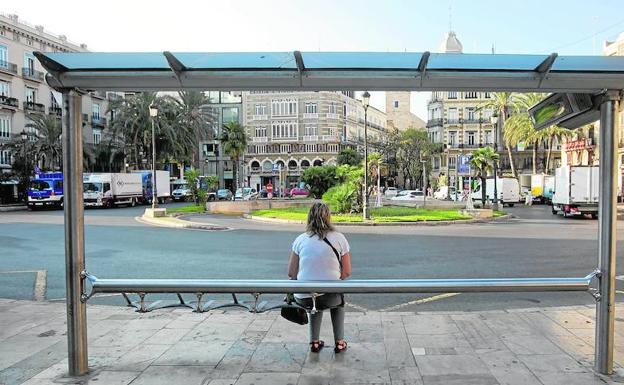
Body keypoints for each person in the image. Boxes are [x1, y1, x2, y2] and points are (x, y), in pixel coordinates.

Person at [287, 202, 352, 354]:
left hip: (304, 297)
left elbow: (291, 273)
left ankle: (314, 342)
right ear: (328, 218)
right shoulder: (339, 238)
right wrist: (335, 279)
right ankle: (340, 342)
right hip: (330, 297)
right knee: (338, 298)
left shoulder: (300, 239)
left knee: (314, 299)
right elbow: (347, 272)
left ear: (309, 218)